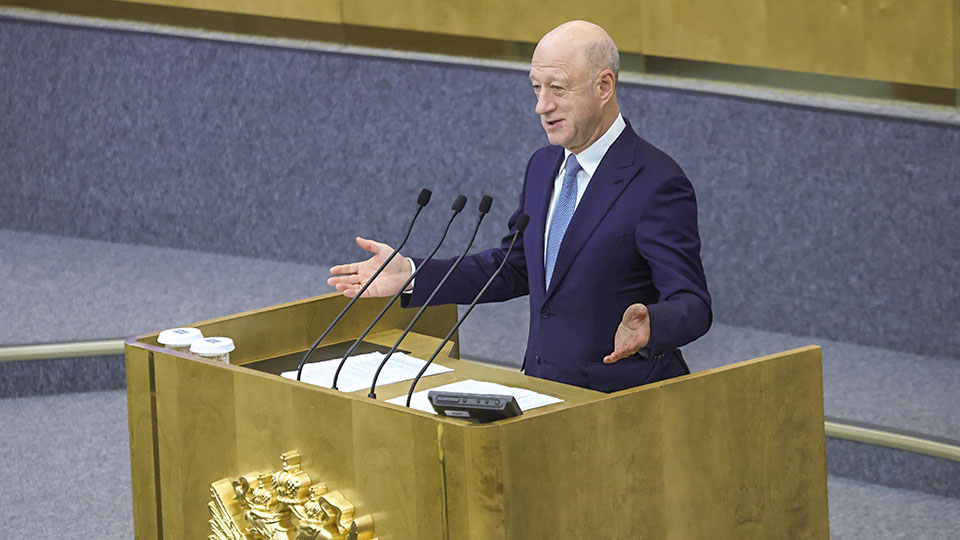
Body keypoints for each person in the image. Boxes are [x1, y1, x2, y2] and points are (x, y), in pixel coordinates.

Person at [328, 20, 711, 392]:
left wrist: (652, 324)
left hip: (618, 400)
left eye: (557, 88)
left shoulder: (657, 183)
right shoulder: (543, 165)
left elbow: (692, 303)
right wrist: (413, 274)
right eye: (536, 88)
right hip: (541, 388)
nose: (542, 106)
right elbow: (514, 267)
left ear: (604, 86)